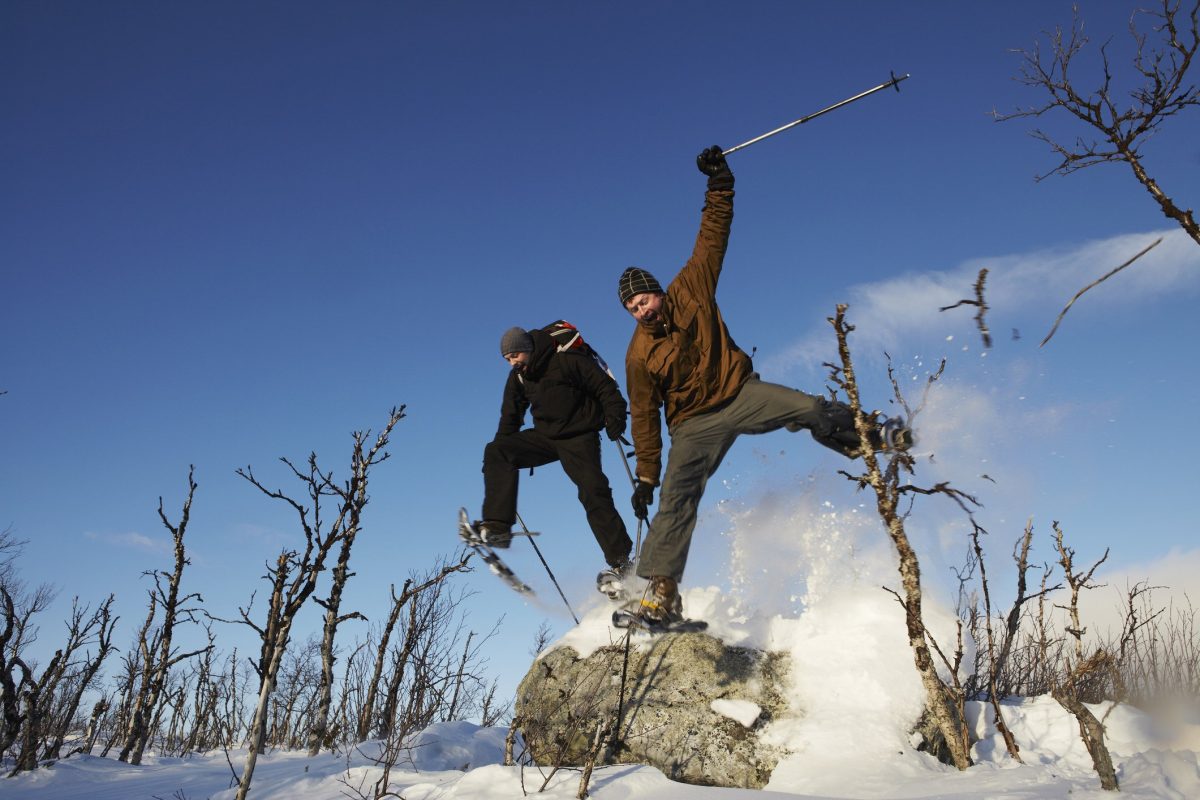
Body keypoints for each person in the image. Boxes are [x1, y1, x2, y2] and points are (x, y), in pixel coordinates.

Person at [618, 145, 912, 626]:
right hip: (693, 425)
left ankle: (871, 434)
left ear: (657, 291)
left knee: (809, 408)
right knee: (678, 497)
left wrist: (720, 183)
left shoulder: (692, 285)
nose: (642, 310)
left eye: (645, 299)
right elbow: (643, 415)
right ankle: (661, 595)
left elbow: (713, 235)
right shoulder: (638, 354)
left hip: (739, 393)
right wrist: (646, 476)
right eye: (633, 309)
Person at [477, 325, 634, 587]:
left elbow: (604, 387)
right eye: (507, 359)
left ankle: (621, 562)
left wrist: (615, 416)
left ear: (526, 349)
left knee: (593, 492)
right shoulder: (519, 376)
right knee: (497, 450)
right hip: (546, 437)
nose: (512, 362)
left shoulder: (565, 360)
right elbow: (510, 417)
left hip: (579, 436)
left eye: (514, 355)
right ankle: (498, 527)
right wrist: (503, 463)